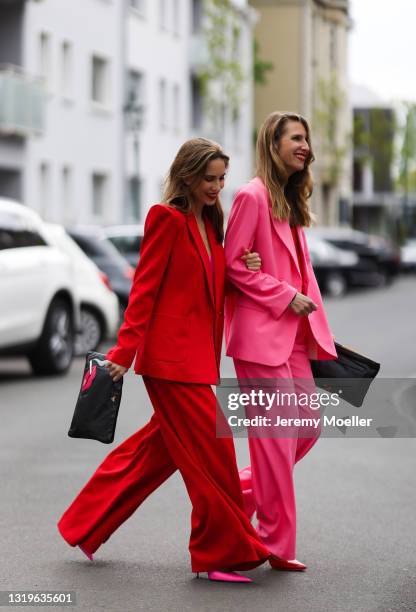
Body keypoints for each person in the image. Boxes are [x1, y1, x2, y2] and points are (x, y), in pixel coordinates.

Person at [57, 138, 270, 584]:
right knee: (214, 455)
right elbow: (145, 290)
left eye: (221, 179)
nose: (216, 187)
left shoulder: (211, 224)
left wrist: (243, 269)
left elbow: (210, 290)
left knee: (154, 453)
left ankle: (84, 524)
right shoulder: (166, 219)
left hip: (196, 360)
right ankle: (216, 553)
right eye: (208, 179)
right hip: (169, 363)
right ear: (187, 177)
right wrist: (124, 352)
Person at [224, 112, 337, 571]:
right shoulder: (250, 196)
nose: (305, 145)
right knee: (274, 441)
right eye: (296, 137)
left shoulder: (289, 201)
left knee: (306, 428)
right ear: (273, 145)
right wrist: (284, 295)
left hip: (293, 337)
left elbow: (300, 272)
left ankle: (228, 502)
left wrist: (318, 326)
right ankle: (274, 544)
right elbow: (233, 264)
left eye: (307, 139)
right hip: (260, 337)